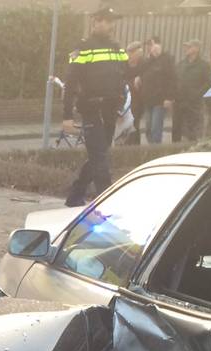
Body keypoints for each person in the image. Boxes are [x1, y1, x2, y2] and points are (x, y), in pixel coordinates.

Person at [62, 7, 129, 207]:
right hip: (91, 109)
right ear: (95, 22)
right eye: (105, 21)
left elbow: (123, 76)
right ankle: (107, 205)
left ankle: (75, 197)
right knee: (101, 159)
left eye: (111, 21)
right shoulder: (83, 47)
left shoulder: (117, 48)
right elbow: (70, 83)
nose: (108, 25)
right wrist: (67, 116)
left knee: (98, 156)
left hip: (110, 111)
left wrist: (121, 104)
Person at [137, 36, 175, 144]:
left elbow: (172, 79)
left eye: (151, 44)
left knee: (155, 127)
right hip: (148, 99)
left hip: (160, 100)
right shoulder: (148, 60)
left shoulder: (167, 59)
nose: (149, 47)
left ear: (159, 45)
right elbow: (142, 71)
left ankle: (155, 150)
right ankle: (151, 148)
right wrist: (138, 77)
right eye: (148, 45)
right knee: (148, 128)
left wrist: (169, 98)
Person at [173, 39, 211, 142]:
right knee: (176, 129)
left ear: (197, 49)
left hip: (194, 104)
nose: (186, 49)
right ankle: (174, 149)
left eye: (189, 47)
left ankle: (192, 148)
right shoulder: (181, 64)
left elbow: (209, 82)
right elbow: (175, 80)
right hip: (179, 102)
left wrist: (197, 94)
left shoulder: (204, 65)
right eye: (186, 47)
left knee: (192, 131)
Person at [125, 41, 145, 144]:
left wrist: (140, 77)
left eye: (132, 52)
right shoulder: (125, 64)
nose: (130, 55)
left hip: (139, 99)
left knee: (135, 122)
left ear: (139, 52)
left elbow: (147, 77)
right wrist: (132, 82)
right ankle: (129, 144)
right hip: (126, 98)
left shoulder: (144, 64)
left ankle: (135, 146)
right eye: (129, 52)